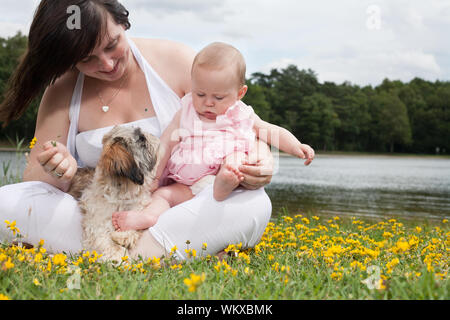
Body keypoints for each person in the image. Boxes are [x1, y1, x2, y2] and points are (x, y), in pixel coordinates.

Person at [0, 0, 274, 261]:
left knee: (253, 205)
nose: (107, 65)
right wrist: (60, 169)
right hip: (95, 218)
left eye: (112, 44)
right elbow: (34, 184)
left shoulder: (175, 60)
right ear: (69, 60)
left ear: (123, 22)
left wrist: (263, 160)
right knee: (6, 203)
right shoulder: (61, 90)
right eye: (87, 59)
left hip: (172, 211)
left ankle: (121, 255)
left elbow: (244, 123)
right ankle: (161, 254)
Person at [111, 42, 315, 232]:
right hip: (187, 184)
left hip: (221, 175)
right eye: (200, 94)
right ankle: (149, 217)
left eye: (218, 97)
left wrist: (296, 146)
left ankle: (224, 183)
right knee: (164, 195)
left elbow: (270, 130)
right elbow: (165, 143)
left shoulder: (241, 113)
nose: (208, 103)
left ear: (240, 93)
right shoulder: (186, 111)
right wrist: (154, 177)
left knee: (237, 157)